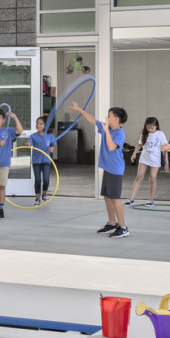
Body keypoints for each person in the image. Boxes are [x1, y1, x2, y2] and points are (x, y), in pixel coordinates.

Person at [72, 100, 129, 237]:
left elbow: (111, 147)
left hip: (115, 169)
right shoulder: (106, 127)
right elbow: (93, 119)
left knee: (115, 198)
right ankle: (112, 223)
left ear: (116, 119)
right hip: (108, 168)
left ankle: (123, 227)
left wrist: (106, 132)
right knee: (107, 197)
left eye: (109, 116)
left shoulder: (119, 133)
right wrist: (79, 109)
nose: (106, 118)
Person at [125, 116, 166, 207]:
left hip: (155, 159)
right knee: (139, 176)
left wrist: (166, 161)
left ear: (156, 126)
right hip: (144, 158)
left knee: (152, 178)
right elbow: (140, 144)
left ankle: (151, 200)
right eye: (148, 127)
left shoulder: (160, 134)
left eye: (152, 127)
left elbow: (164, 147)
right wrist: (134, 153)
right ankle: (131, 199)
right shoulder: (144, 134)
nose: (150, 129)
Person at [28, 116, 56, 204]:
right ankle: (37, 198)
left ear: (45, 125)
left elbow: (52, 146)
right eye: (37, 123)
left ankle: (44, 193)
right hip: (36, 161)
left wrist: (52, 149)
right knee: (37, 179)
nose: (38, 125)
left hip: (46, 161)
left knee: (46, 179)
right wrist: (29, 144)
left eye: (41, 124)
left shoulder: (49, 136)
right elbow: (30, 142)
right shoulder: (33, 136)